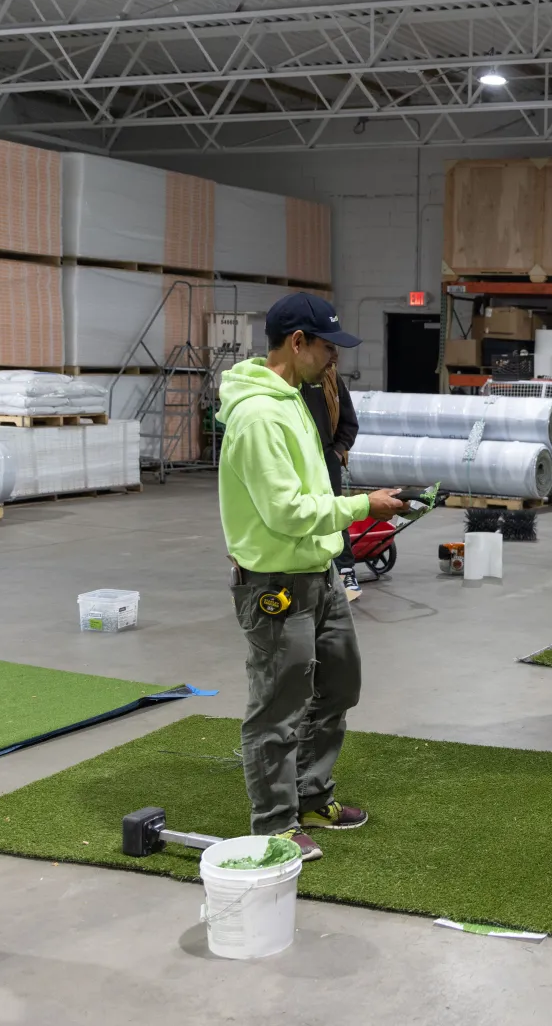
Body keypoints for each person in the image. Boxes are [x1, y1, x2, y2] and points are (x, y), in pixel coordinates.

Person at [215, 292, 407, 862]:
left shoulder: (296, 398)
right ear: (296, 342)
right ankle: (273, 822)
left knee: (339, 685)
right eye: (327, 347)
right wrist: (361, 507)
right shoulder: (257, 415)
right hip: (276, 583)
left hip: (317, 573)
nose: (334, 360)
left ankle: (311, 794)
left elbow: (311, 488)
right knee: (278, 704)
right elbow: (286, 511)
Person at [300, 357, 361, 599]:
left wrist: (336, 452)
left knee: (336, 514)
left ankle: (344, 571)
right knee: (301, 515)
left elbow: (349, 422)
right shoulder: (287, 383)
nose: (333, 357)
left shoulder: (330, 378)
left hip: (326, 458)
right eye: (327, 347)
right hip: (297, 456)